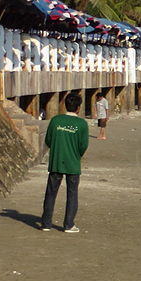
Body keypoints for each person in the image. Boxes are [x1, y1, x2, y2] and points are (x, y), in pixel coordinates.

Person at [41, 94, 89, 233]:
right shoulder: (81, 124)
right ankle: (68, 224)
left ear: (65, 105)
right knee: (72, 194)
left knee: (50, 193)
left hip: (56, 161)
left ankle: (46, 223)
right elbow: (83, 145)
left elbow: (48, 140)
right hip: (73, 163)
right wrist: (75, 154)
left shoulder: (56, 121)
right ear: (78, 107)